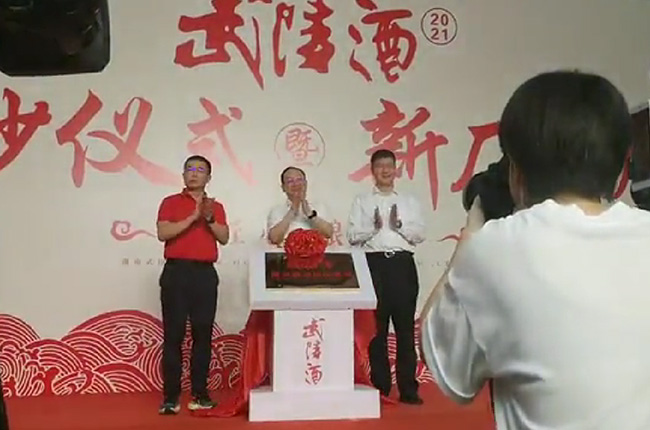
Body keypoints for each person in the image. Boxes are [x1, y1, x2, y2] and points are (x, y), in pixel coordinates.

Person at [420, 71, 650, 429]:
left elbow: (447, 369)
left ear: (516, 170)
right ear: (622, 164)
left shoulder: (495, 248)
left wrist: (472, 232)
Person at [346, 149, 425, 405]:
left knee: (404, 329)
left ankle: (409, 389)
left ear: (395, 169)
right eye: (380, 166)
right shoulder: (362, 201)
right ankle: (380, 387)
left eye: (389, 165)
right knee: (377, 330)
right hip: (374, 265)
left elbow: (420, 234)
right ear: (372, 171)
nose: (385, 170)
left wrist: (400, 225)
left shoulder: (409, 201)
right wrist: (374, 228)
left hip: (401, 265)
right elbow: (352, 236)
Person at [156, 155, 229, 415]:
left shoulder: (216, 206)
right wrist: (193, 217)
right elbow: (163, 233)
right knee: (173, 336)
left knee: (203, 336)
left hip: (204, 275)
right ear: (183, 175)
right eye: (190, 169)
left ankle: (200, 394)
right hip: (176, 273)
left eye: (200, 170)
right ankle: (170, 398)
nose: (194, 173)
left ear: (209, 177)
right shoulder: (170, 202)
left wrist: (208, 218)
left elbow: (224, 237)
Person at [267, 166, 333, 245]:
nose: (295, 184)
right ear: (283, 187)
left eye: (299, 180)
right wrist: (291, 212)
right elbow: (274, 239)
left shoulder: (319, 207)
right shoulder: (277, 211)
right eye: (290, 181)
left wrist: (311, 215)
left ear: (305, 184)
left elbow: (328, 233)